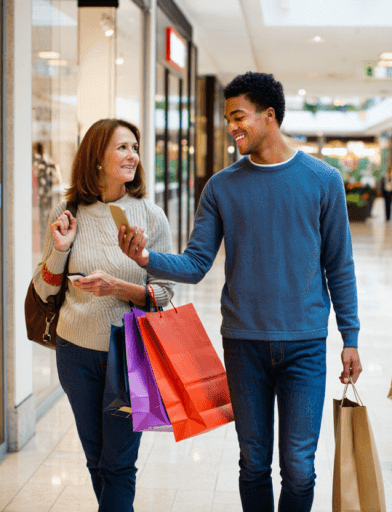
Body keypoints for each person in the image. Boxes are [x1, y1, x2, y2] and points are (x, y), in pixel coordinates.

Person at [119, 72, 361, 512]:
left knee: (300, 467)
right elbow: (195, 265)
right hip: (243, 344)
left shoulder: (322, 181)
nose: (232, 127)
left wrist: (352, 338)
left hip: (305, 344)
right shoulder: (222, 187)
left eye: (238, 116)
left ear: (269, 116)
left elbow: (339, 266)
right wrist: (146, 259)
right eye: (228, 118)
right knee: (253, 462)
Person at [32, 118, 174, 511]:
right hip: (76, 352)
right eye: (122, 148)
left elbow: (164, 294)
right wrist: (61, 249)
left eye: (135, 147)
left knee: (119, 464)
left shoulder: (150, 216)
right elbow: (45, 289)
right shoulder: (69, 212)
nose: (133, 156)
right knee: (96, 458)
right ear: (97, 158)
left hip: (131, 355)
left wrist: (118, 287)